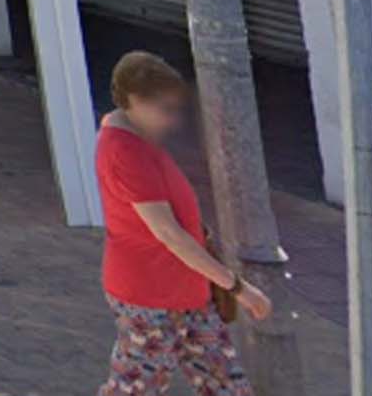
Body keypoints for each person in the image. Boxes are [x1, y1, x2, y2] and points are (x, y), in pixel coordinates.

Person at [95, 51, 264, 395]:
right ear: (135, 100)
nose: (173, 121)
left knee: (226, 385)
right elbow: (169, 234)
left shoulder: (139, 139)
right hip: (150, 296)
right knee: (137, 387)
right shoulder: (125, 152)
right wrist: (237, 288)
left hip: (188, 292)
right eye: (165, 109)